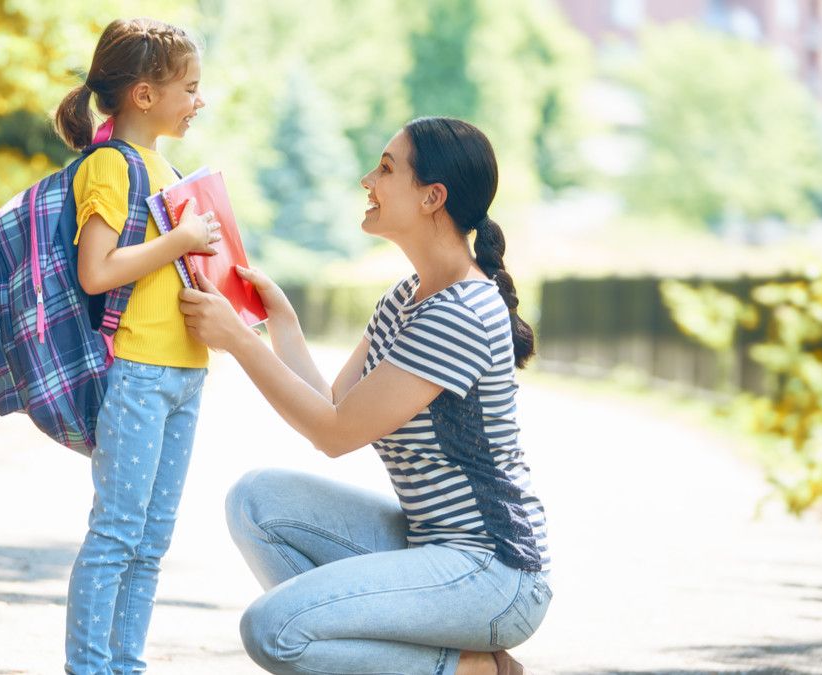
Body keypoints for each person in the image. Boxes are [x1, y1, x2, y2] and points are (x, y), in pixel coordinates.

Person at [179, 117, 551, 675]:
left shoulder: (462, 313)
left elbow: (335, 435)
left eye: (385, 168)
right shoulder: (406, 298)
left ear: (432, 197)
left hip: (493, 573)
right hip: (428, 546)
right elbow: (333, 405)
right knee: (255, 501)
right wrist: (281, 325)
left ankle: (472, 669)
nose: (367, 180)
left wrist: (237, 341)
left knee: (274, 629)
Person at [51, 17, 222, 675]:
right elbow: (97, 271)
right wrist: (180, 240)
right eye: (191, 87)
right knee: (117, 532)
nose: (199, 100)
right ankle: (90, 667)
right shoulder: (110, 164)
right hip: (138, 371)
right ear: (144, 95)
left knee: (151, 541)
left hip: (185, 371)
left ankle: (126, 664)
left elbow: (167, 271)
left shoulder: (167, 168)